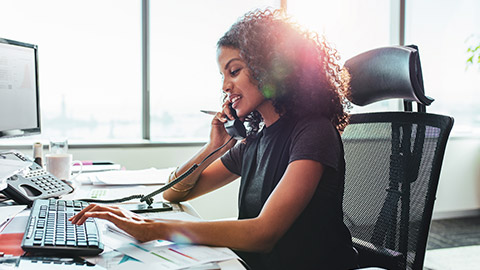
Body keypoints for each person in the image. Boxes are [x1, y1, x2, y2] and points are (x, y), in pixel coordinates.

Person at [70, 8, 358, 269]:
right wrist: (214, 147)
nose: (224, 86)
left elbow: (264, 233)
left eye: (234, 71)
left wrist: (153, 228)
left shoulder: (313, 133)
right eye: (223, 75)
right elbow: (175, 193)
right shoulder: (253, 141)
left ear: (268, 68)